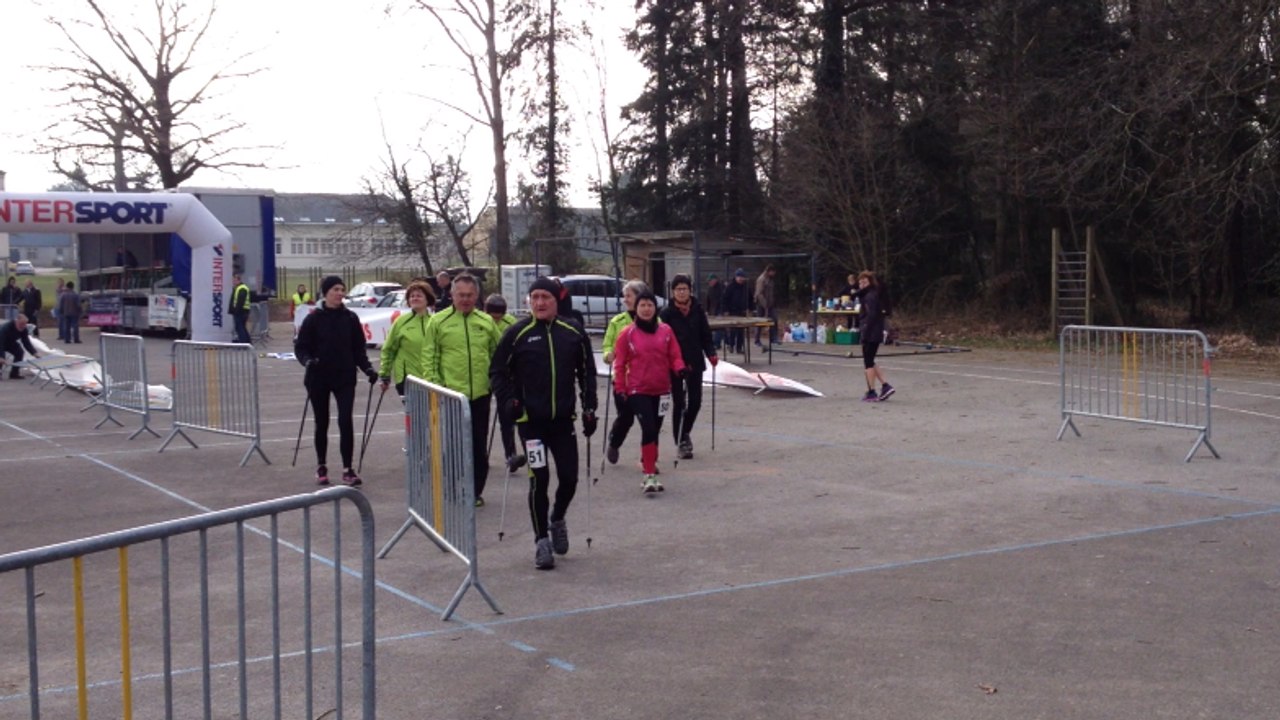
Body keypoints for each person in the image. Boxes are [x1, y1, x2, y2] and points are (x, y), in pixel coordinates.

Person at [489, 276, 597, 570]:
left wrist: (590, 408)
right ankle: (541, 542)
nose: (539, 303)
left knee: (570, 478)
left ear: (555, 301)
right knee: (540, 479)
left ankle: (557, 518)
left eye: (545, 297)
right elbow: (497, 372)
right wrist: (510, 401)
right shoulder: (517, 333)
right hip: (531, 423)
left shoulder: (572, 332)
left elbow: (587, 372)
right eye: (534, 297)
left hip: (563, 421)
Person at [424, 273, 502, 507]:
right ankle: (453, 487)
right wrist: (437, 387)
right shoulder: (438, 322)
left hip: (480, 394)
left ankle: (475, 491)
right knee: (455, 445)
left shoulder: (486, 322)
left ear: (477, 296)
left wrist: (497, 384)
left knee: (478, 445)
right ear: (452, 295)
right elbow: (430, 358)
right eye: (461, 295)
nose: (465, 299)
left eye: (470, 295)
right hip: (451, 395)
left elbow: (497, 355)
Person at [294, 275, 379, 487]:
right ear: (326, 293)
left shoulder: (350, 318)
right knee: (322, 421)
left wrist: (367, 368)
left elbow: (358, 349)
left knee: (345, 421)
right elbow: (301, 347)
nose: (340, 293)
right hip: (318, 377)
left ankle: (347, 469)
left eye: (342, 289)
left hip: (344, 377)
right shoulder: (313, 318)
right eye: (335, 289)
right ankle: (321, 465)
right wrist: (307, 361)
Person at [613, 290, 686, 493]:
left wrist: (679, 367)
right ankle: (649, 475)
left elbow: (674, 355)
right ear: (636, 309)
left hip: (662, 389)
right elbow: (619, 364)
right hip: (638, 389)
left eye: (650, 305)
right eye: (642, 305)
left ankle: (648, 460)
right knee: (649, 428)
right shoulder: (627, 333)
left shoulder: (666, 331)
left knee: (656, 429)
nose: (646, 309)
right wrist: (620, 387)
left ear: (656, 308)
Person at [659, 274, 718, 459]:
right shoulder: (666, 313)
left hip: (695, 362)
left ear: (690, 290)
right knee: (679, 403)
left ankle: (685, 431)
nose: (682, 292)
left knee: (696, 402)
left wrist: (711, 353)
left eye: (685, 289)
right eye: (678, 289)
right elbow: (661, 340)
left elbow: (705, 334)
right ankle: (681, 440)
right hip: (675, 365)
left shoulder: (698, 310)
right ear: (673, 291)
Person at [602, 279, 651, 466]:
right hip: (623, 379)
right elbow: (607, 345)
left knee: (649, 422)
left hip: (647, 379)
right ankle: (614, 441)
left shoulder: (655, 321)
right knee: (626, 418)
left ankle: (647, 458)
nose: (625, 300)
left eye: (629, 296)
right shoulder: (617, 322)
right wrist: (608, 355)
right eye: (625, 296)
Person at [485, 293, 524, 473]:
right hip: (489, 373)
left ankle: (512, 454)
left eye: (499, 315)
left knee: (508, 414)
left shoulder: (512, 324)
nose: (496, 319)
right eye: (493, 316)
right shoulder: (483, 322)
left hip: (509, 375)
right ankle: (499, 453)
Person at [378, 280, 436, 398]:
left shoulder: (436, 321)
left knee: (431, 415)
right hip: (408, 379)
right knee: (415, 414)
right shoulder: (401, 321)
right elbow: (389, 349)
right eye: (412, 296)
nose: (414, 298)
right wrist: (385, 374)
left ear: (427, 299)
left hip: (432, 379)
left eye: (419, 295)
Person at [851, 270, 895, 402]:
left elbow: (872, 316)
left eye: (865, 281)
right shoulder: (870, 295)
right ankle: (885, 386)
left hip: (871, 333)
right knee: (870, 360)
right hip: (874, 331)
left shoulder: (870, 296)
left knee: (868, 362)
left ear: (870, 282)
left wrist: (865, 331)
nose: (862, 284)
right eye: (860, 282)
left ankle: (872, 391)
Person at [720, 268, 752, 354]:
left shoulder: (746, 287)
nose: (740, 279)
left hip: (742, 312)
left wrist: (750, 309)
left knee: (741, 331)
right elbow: (724, 299)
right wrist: (725, 310)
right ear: (736, 277)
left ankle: (739, 348)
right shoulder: (730, 287)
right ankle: (731, 345)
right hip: (732, 311)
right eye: (739, 277)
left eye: (742, 277)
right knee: (732, 330)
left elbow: (750, 299)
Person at [0, 313, 40, 379]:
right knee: (2, 357)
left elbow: (26, 342)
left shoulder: (24, 329)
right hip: (1, 342)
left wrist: (34, 353)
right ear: (17, 321)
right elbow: (1, 343)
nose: (23, 326)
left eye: (25, 324)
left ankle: (14, 373)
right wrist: (1, 356)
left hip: (10, 342)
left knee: (19, 352)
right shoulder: (6, 328)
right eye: (21, 324)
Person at [753, 264, 778, 347]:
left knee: (774, 320)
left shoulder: (771, 279)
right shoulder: (761, 279)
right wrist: (765, 304)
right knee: (760, 322)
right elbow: (759, 293)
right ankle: (756, 340)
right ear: (769, 271)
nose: (774, 274)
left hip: (771, 303)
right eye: (773, 272)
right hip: (761, 304)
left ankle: (773, 338)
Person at [228, 274, 252, 343]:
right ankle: (247, 342)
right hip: (243, 311)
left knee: (239, 328)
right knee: (242, 327)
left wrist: (236, 310)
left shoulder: (241, 288)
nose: (233, 282)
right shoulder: (239, 288)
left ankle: (243, 342)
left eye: (234, 280)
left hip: (241, 311)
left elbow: (240, 301)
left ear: (238, 280)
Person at [703, 273, 725, 351]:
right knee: (714, 328)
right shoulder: (710, 289)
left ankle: (716, 343)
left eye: (710, 281)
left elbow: (723, 300)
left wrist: (722, 312)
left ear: (715, 280)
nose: (709, 283)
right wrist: (707, 310)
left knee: (720, 328)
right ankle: (715, 343)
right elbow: (707, 300)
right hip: (713, 310)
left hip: (719, 310)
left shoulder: (721, 288)